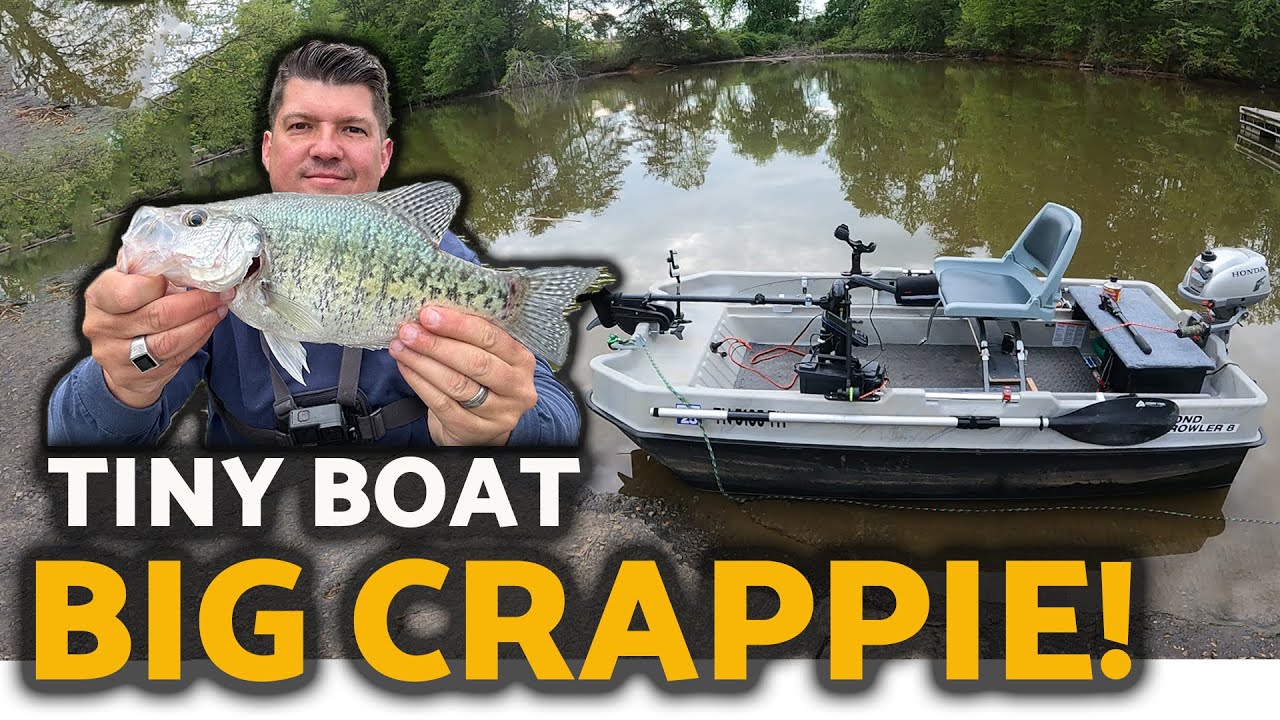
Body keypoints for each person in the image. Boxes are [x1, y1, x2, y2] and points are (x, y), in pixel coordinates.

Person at [47, 40, 581, 448]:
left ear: (385, 155)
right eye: (301, 125)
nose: (326, 149)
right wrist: (122, 379)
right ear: (268, 148)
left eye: (352, 129)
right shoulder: (188, 288)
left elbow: (557, 417)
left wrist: (507, 426)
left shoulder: (439, 258)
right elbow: (78, 438)